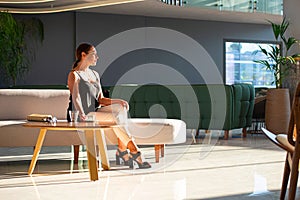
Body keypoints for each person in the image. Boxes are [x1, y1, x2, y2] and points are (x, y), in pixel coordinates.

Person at [67, 43, 151, 169]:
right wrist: (81, 113)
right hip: (81, 115)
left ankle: (124, 150)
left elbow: (101, 99)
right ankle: (132, 151)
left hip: (94, 112)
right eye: (94, 54)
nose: (97, 57)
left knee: (120, 109)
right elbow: (76, 97)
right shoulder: (74, 75)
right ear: (83, 55)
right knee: (116, 118)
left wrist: (119, 101)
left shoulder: (95, 74)